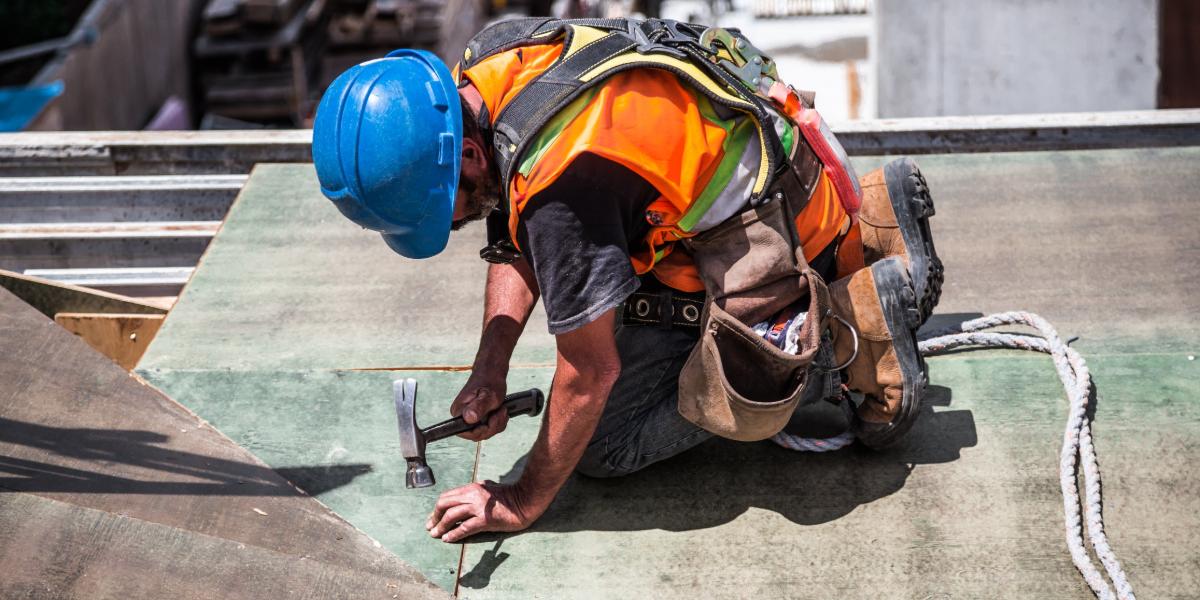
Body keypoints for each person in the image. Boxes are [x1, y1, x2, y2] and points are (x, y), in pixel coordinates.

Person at [311, 17, 942, 543]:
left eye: (439, 211)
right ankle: (876, 221)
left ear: (469, 155)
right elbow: (513, 229)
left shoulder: (564, 188)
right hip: (781, 179)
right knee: (597, 304)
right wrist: (490, 366)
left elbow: (589, 373)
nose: (446, 228)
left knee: (605, 446)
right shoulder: (492, 64)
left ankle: (845, 333)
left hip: (774, 241)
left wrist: (521, 499)